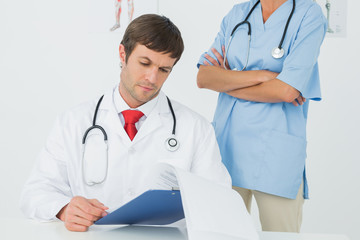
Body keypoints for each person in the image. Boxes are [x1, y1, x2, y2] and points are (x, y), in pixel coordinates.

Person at [20, 14, 231, 232]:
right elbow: (35, 193)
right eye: (144, 63)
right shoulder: (73, 122)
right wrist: (64, 208)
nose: (152, 78)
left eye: (164, 70)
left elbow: (220, 201)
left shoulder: (196, 129)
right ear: (123, 53)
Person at [197, 0, 327, 232]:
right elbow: (205, 78)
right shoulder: (239, 13)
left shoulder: (309, 14)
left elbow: (286, 91)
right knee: (224, 234)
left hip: (276, 154)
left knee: (281, 236)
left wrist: (228, 82)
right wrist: (265, 75)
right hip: (228, 149)